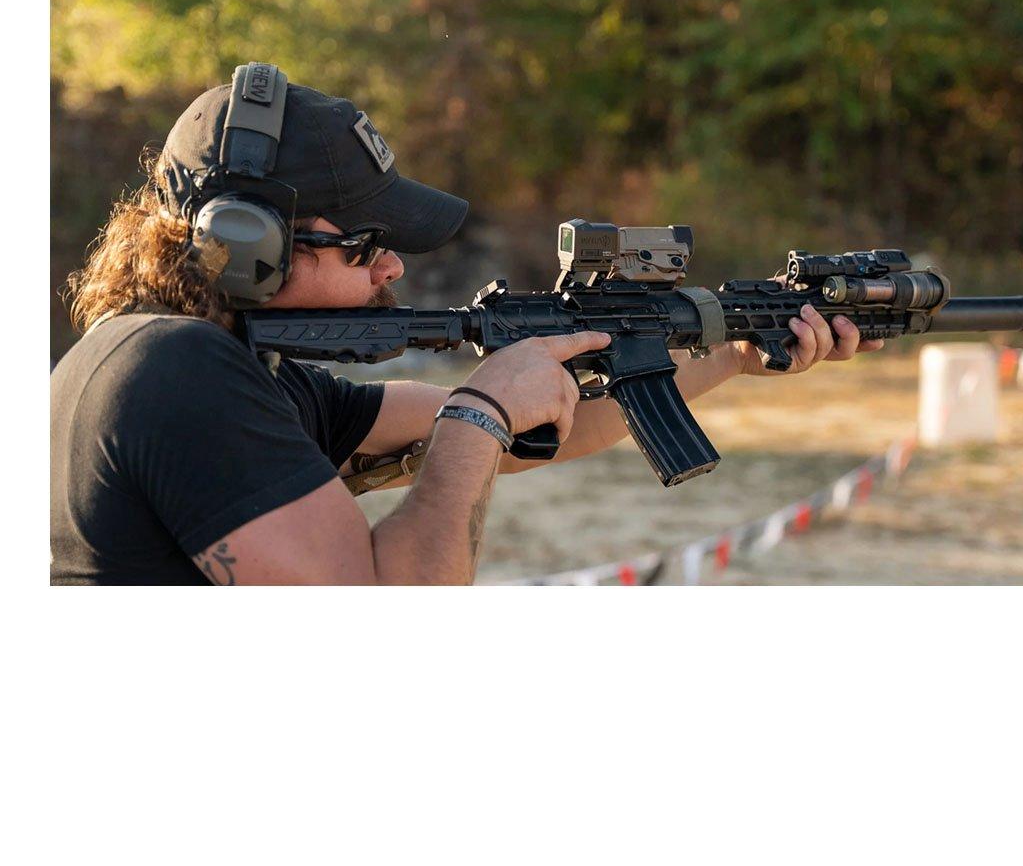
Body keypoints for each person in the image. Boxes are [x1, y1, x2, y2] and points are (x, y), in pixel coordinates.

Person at [50, 65, 883, 585]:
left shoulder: (210, 368)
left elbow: (558, 425)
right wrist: (480, 413)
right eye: (366, 246)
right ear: (245, 247)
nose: (391, 268)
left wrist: (735, 351)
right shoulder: (180, 375)